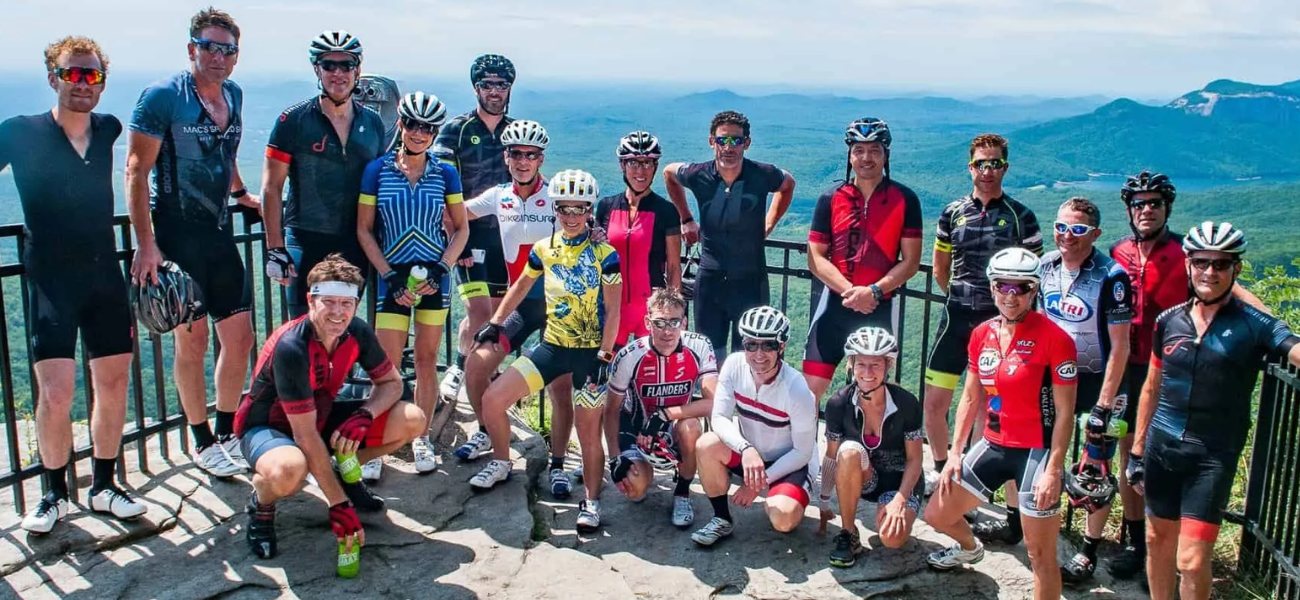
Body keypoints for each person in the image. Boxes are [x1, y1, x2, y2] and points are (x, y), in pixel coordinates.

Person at [3, 36, 145, 533]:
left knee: (113, 383)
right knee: (57, 392)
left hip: (104, 277)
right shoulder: (18, 132)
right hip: (51, 281)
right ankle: (54, 494)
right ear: (53, 78)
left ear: (102, 82)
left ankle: (104, 485)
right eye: (73, 73)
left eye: (92, 75)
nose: (83, 83)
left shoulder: (108, 128)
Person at [1106, 170, 1269, 579]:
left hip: (1172, 367)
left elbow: (1231, 291)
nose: (1146, 210)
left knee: (1168, 454)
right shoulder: (1118, 250)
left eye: (1154, 203)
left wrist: (1268, 325)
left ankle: (1171, 550)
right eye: (1139, 203)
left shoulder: (1186, 253)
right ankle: (1137, 542)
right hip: (1125, 366)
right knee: (1130, 454)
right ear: (1129, 209)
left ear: (1167, 208)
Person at [1129, 223, 1300, 600]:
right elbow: (1152, 387)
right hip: (1162, 447)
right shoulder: (1168, 321)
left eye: (1221, 264)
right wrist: (1138, 450)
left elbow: (1293, 348)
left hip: (1212, 455)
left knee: (1191, 562)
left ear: (1236, 269)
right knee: (1157, 542)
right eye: (1201, 262)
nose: (1210, 271)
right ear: (1188, 265)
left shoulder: (1255, 325)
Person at [126, 7, 259, 478]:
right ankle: (201, 439)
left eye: (227, 49)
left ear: (236, 55)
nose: (218, 57)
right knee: (193, 343)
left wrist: (241, 195)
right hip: (175, 236)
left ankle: (226, 431)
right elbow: (136, 171)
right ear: (191, 49)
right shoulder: (163, 96)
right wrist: (146, 243)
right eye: (209, 47)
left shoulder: (234, 94)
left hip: (219, 233)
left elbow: (227, 151)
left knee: (240, 339)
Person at [234, 254, 427, 559]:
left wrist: (365, 415)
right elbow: (304, 435)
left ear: (355, 305)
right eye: (329, 302)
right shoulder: (292, 347)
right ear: (311, 301)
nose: (338, 312)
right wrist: (339, 505)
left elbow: (392, 384)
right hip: (268, 427)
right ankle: (262, 502)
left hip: (318, 417)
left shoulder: (357, 332)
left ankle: (337, 471)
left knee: (412, 418)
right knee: (289, 470)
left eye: (346, 303)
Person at [468, 170, 622, 533]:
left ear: (589, 211)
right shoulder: (544, 248)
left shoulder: (606, 254)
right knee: (493, 399)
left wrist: (605, 355)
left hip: (589, 355)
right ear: (555, 210)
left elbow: (614, 310)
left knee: (588, 433)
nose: (571, 216)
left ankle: (591, 500)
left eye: (579, 209)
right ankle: (502, 461)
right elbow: (521, 286)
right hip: (552, 347)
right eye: (564, 208)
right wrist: (496, 322)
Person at [922, 247, 1076, 600]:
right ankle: (969, 548)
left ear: (1034, 290)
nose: (1010, 295)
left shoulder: (1056, 339)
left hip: (1036, 451)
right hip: (993, 443)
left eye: (1021, 287)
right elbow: (970, 398)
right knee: (937, 514)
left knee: (1040, 556)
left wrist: (1054, 469)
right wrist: (955, 453)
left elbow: (1065, 413)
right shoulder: (982, 334)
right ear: (991, 287)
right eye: (1002, 286)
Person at [453, 120, 577, 498]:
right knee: (477, 364)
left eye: (531, 155)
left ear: (541, 159)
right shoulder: (498, 196)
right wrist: (458, 247)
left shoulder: (555, 196)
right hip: (520, 304)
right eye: (517, 154)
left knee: (560, 386)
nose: (523, 161)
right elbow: (455, 213)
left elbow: (584, 230)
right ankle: (491, 437)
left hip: (557, 308)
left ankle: (558, 464)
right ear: (506, 157)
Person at [925, 134, 1043, 533]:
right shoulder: (952, 212)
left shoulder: (1022, 216)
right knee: (935, 403)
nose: (987, 171)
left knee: (989, 410)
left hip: (1001, 325)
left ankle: (974, 487)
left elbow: (1034, 276)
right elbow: (940, 267)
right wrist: (960, 297)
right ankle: (944, 472)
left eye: (994, 164)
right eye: (980, 163)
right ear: (970, 168)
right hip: (956, 319)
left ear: (1005, 167)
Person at [356, 91, 467, 477]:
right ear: (401, 124)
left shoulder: (445, 173)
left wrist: (442, 268)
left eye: (429, 128)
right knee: (385, 365)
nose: (420, 133)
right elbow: (364, 229)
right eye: (414, 125)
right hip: (393, 276)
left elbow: (461, 228)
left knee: (425, 360)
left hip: (433, 278)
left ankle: (421, 436)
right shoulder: (377, 171)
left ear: (435, 133)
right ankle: (376, 443)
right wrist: (388, 275)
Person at [1035, 197, 1133, 584]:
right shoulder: (1045, 266)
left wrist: (1105, 404)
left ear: (1095, 234)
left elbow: (1120, 346)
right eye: (1061, 227)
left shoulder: (1112, 277)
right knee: (1041, 452)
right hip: (1056, 377)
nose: (1067, 236)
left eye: (1078, 230)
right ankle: (1038, 526)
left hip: (1100, 380)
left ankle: (1088, 550)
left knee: (1096, 468)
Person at [260, 31, 386, 318]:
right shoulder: (292, 120)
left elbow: (378, 184)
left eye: (346, 65)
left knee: (342, 324)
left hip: (354, 242)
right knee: (302, 327)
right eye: (329, 65)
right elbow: (271, 187)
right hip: (305, 238)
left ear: (357, 70)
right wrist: (275, 248)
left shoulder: (373, 123)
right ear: (317, 69)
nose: (338, 73)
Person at [805, 117, 922, 400]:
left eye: (874, 150)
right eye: (859, 150)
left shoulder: (905, 200)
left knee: (871, 395)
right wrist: (853, 293)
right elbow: (815, 258)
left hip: (878, 306)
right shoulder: (831, 198)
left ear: (886, 155)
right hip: (834, 306)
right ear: (850, 155)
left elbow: (911, 261)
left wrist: (873, 292)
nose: (866, 158)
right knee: (808, 393)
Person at [663, 111, 796, 354]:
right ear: (711, 141)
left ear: (747, 143)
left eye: (736, 140)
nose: (728, 147)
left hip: (751, 282)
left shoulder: (762, 174)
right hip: (710, 281)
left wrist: (769, 223)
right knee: (707, 355)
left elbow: (788, 184)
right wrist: (686, 218)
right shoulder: (699, 173)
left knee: (749, 357)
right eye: (722, 140)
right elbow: (669, 173)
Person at [690, 306, 819, 547]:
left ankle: (781, 497)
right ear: (743, 344)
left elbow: (803, 452)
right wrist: (746, 448)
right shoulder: (734, 365)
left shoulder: (796, 389)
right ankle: (721, 518)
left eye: (768, 345)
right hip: (752, 456)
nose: (758, 354)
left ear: (782, 346)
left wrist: (757, 484)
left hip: (791, 462)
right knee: (707, 444)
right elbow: (719, 418)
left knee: (783, 519)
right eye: (751, 345)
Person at [436, 54, 517, 406]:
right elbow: (442, 188)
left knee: (496, 314)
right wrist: (458, 240)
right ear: (476, 88)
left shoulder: (515, 131)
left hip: (505, 237)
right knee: (478, 312)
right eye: (487, 85)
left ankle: (467, 364)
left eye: (501, 85)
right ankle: (463, 369)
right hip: (468, 233)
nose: (494, 92)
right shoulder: (456, 130)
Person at [596, 131, 683, 455]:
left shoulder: (666, 210)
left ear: (655, 166)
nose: (640, 170)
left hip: (650, 310)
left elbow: (673, 266)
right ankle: (612, 452)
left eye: (647, 163)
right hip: (613, 311)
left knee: (652, 382)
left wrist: (673, 317)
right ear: (622, 165)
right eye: (633, 162)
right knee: (610, 384)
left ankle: (654, 448)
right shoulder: (606, 206)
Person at [606, 288, 717, 527]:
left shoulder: (699, 346)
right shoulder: (629, 355)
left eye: (674, 322)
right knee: (635, 489)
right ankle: (645, 468)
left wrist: (665, 415)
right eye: (659, 323)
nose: (667, 331)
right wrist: (615, 458)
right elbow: (611, 410)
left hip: (674, 427)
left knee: (691, 427)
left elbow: (714, 403)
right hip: (637, 431)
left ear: (684, 323)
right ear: (648, 322)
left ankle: (682, 493)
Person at [817, 327, 923, 568]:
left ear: (888, 365)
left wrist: (900, 500)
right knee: (849, 451)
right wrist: (823, 502)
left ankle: (890, 511)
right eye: (861, 364)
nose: (867, 373)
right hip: (864, 477)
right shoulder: (838, 403)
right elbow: (832, 456)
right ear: (851, 365)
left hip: (898, 481)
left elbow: (915, 459)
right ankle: (848, 533)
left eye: (876, 365)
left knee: (892, 539)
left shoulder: (906, 403)